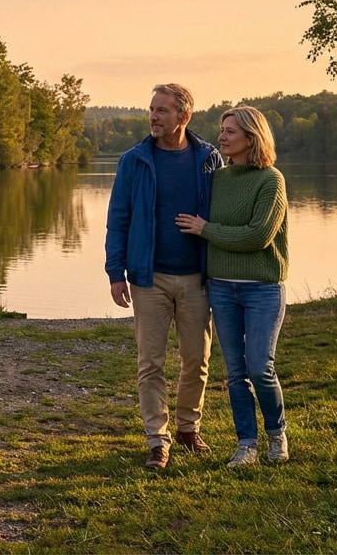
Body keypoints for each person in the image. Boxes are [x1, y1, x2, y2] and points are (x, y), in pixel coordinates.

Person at [105, 83, 223, 470]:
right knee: (150, 362)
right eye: (151, 109)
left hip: (197, 278)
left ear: (183, 117)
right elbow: (118, 218)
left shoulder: (209, 159)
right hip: (148, 277)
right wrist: (115, 271)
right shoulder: (134, 160)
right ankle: (158, 440)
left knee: (197, 359)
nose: (154, 117)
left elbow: (223, 215)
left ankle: (189, 428)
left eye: (162, 110)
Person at [176, 104, 290, 468]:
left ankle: (277, 434)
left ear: (251, 138)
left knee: (260, 368)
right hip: (222, 289)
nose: (221, 137)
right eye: (222, 129)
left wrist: (205, 229)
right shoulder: (218, 180)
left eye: (230, 132)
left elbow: (258, 236)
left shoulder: (271, 180)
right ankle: (246, 445)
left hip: (262, 289)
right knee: (236, 374)